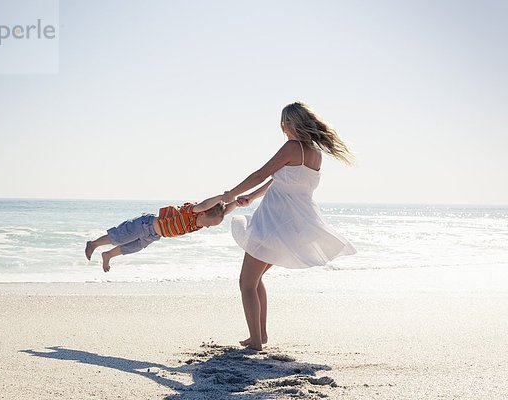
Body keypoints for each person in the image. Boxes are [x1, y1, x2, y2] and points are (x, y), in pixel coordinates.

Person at [222, 101, 357, 351]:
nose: (282, 128)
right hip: (290, 225)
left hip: (272, 222)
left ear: (289, 123)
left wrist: (230, 194)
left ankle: (255, 343)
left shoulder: (292, 147)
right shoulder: (314, 154)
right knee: (256, 278)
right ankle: (259, 335)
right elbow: (282, 181)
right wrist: (251, 197)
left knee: (246, 283)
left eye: (283, 122)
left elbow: (260, 174)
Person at [85, 194, 238, 272]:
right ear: (203, 214)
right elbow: (205, 204)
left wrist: (236, 203)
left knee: (131, 247)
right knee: (119, 238)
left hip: (153, 236)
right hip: (145, 225)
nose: (209, 227)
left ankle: (108, 255)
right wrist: (222, 197)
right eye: (210, 224)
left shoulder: (198, 223)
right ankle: (93, 244)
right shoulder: (190, 211)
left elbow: (222, 213)